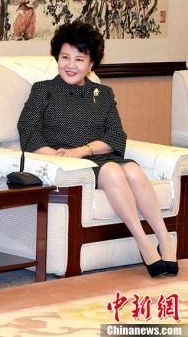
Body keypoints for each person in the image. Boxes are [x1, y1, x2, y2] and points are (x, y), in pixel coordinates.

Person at [17, 20, 178, 278]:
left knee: (133, 171)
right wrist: (59, 157)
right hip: (72, 166)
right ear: (56, 57)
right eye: (65, 57)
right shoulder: (43, 91)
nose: (70, 65)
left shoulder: (103, 94)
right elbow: (28, 131)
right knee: (113, 171)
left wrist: (82, 150)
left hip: (97, 156)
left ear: (91, 64)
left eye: (79, 59)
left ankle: (165, 239)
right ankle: (143, 241)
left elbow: (115, 136)